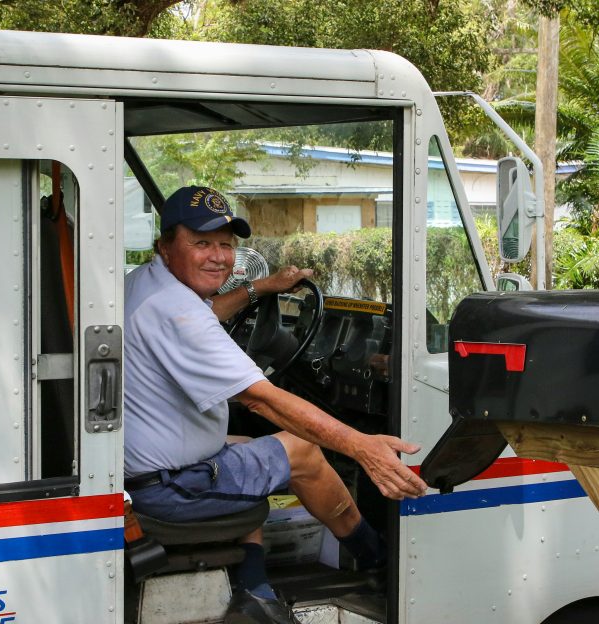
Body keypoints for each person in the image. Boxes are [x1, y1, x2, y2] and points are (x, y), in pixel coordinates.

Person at [123, 185, 428, 624]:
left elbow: (209, 314)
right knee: (299, 451)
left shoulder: (147, 283)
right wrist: (362, 446)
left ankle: (253, 584)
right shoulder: (179, 314)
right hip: (169, 490)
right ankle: (376, 560)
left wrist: (264, 287)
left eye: (226, 245)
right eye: (201, 243)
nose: (218, 256)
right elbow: (262, 398)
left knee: (248, 445)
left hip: (143, 468)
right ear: (166, 245)